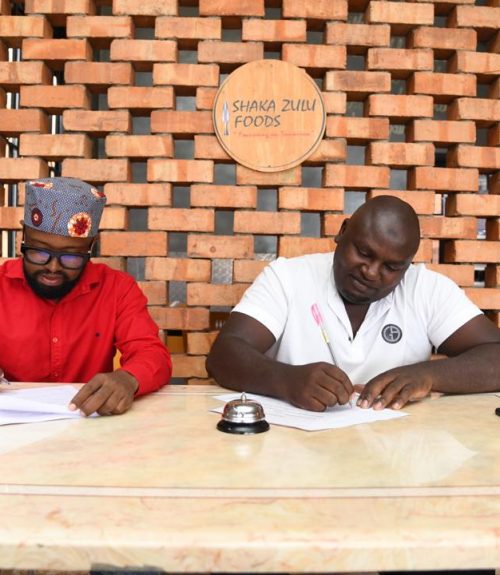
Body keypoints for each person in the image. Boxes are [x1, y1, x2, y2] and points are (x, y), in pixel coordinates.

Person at [207, 195, 500, 411]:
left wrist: (427, 375)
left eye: (391, 267)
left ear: (408, 265)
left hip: (393, 457)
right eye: (364, 252)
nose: (371, 272)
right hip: (292, 454)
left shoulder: (427, 289)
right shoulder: (287, 277)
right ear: (342, 231)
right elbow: (223, 355)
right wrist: (286, 380)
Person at [0, 177, 172, 415]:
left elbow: (152, 354)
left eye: (71, 256)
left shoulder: (117, 288)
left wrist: (129, 378)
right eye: (38, 252)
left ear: (91, 246)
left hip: (89, 421)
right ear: (24, 236)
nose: (52, 268)